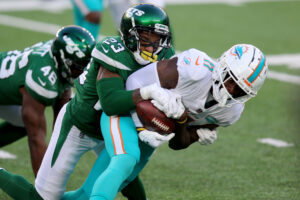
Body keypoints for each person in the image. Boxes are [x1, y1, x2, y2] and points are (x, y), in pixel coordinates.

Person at [0, 4, 183, 200]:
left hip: (111, 125)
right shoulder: (113, 51)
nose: (153, 46)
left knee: (124, 171)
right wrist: (148, 92)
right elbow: (111, 102)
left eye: (158, 39)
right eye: (147, 37)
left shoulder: (165, 55)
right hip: (80, 125)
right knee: (42, 198)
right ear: (130, 35)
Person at [60, 43, 268, 199]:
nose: (232, 91)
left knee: (90, 193)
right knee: (125, 159)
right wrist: (143, 119)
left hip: (154, 134)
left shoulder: (230, 113)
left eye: (241, 90)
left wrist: (188, 129)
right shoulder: (194, 70)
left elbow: (177, 143)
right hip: (125, 112)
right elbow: (134, 82)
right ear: (222, 66)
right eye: (232, 80)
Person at [0, 25, 95, 176]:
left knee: (22, 122)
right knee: (32, 127)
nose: (80, 73)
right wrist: (44, 188)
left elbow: (61, 122)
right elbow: (36, 139)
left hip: (6, 89)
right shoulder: (43, 77)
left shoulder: (58, 57)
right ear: (64, 60)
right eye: (77, 68)